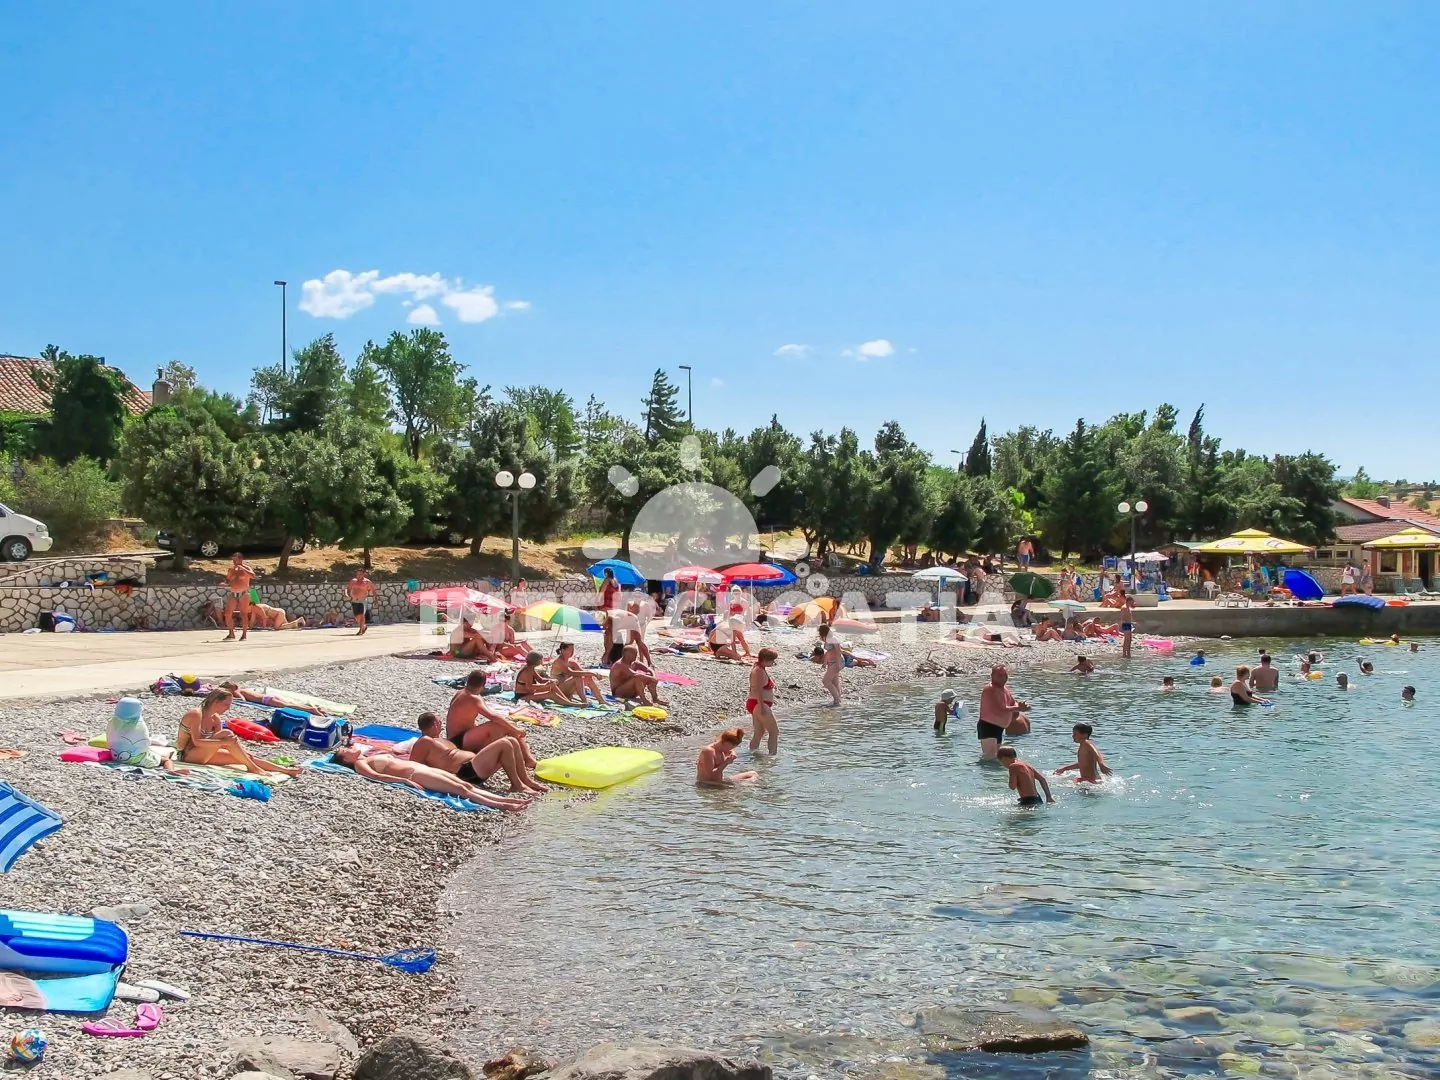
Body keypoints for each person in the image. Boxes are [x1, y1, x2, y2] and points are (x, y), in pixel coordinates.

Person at [331, 746, 530, 811]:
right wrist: (403, 781)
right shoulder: (359, 764)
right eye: (345, 750)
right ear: (346, 759)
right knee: (461, 790)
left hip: (422, 768)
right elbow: (375, 776)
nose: (350, 747)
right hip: (415, 774)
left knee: (464, 784)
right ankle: (502, 805)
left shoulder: (368, 756)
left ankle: (505, 799)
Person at [410, 711, 546, 794]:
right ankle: (517, 785)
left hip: (474, 767)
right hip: (464, 772)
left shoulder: (439, 740)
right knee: (505, 743)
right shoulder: (425, 741)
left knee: (512, 741)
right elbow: (414, 766)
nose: (441, 724)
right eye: (440, 722)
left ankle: (525, 780)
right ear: (435, 724)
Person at [176, 688, 300, 775]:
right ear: (215, 702)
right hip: (188, 755)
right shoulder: (196, 714)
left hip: (205, 753)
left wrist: (241, 751)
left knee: (246, 757)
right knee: (226, 734)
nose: (228, 708)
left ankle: (284, 770)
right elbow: (197, 742)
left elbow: (221, 743)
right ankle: (253, 768)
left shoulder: (215, 718)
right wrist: (224, 742)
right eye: (226, 705)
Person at [446, 670, 538, 768]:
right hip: (457, 741)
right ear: (483, 685)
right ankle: (502, 756)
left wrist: (512, 728)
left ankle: (527, 758)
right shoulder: (473, 698)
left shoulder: (461, 693)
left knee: (508, 725)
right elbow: (494, 717)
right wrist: (516, 730)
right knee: (496, 726)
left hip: (457, 737)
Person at [977, 665, 1029, 758]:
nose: (1003, 677)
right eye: (1000, 675)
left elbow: (1013, 703)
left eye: (1005, 674)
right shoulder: (991, 689)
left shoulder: (1005, 689)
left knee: (998, 758)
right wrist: (1018, 708)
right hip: (988, 726)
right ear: (992, 676)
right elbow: (1000, 708)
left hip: (999, 728)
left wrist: (1022, 706)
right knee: (989, 758)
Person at [744, 647, 781, 753]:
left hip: (757, 703)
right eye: (772, 660)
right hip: (759, 704)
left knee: (759, 732)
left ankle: (752, 754)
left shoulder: (759, 668)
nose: (773, 663)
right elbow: (758, 690)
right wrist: (761, 707)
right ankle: (772, 756)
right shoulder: (759, 671)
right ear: (765, 659)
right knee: (774, 732)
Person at [515, 651, 580, 705]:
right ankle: (570, 703)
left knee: (552, 685)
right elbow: (529, 687)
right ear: (538, 660)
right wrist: (545, 685)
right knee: (551, 694)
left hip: (529, 693)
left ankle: (566, 700)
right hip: (523, 696)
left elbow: (540, 680)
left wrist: (551, 680)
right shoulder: (528, 671)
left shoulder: (530, 668)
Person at [222, 553, 257, 642]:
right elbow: (228, 580)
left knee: (244, 614)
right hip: (233, 593)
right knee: (227, 613)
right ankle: (231, 634)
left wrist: (242, 568)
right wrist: (225, 583)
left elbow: (253, 576)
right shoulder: (231, 569)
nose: (234, 561)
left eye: (236, 559)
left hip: (244, 593)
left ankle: (244, 635)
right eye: (233, 560)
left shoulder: (247, 568)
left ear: (241, 559)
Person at [817, 624, 844, 706]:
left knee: (825, 681)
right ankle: (838, 699)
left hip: (836, 662)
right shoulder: (826, 639)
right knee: (834, 682)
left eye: (819, 632)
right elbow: (828, 652)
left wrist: (839, 663)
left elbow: (838, 651)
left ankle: (836, 700)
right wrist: (825, 663)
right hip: (831, 663)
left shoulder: (833, 639)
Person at [346, 568, 376, 636]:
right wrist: (347, 594)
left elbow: (373, 590)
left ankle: (360, 630)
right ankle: (363, 626)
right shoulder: (353, 581)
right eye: (357, 574)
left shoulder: (367, 582)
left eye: (360, 574)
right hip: (354, 600)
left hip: (363, 600)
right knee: (357, 616)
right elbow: (348, 588)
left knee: (362, 615)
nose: (359, 575)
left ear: (363, 574)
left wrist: (375, 599)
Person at [1119, 592, 1135, 659]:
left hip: (1129, 624)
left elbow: (1129, 616)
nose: (1133, 602)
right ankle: (1124, 654)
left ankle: (1128, 653)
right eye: (1132, 601)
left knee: (1130, 640)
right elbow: (1123, 617)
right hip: (1126, 624)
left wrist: (1132, 623)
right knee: (1126, 640)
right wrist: (1125, 624)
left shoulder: (1128, 608)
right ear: (1129, 601)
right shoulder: (1124, 607)